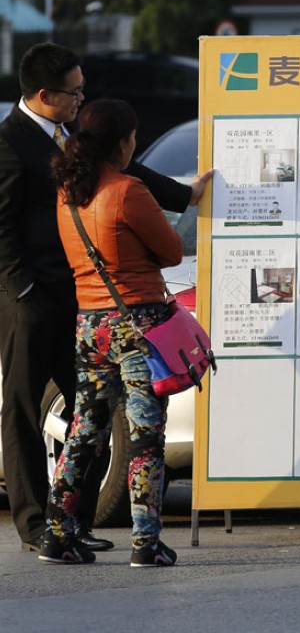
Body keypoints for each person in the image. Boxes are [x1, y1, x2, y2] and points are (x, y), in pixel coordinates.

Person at [0, 42, 212, 554]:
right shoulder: (9, 143)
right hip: (30, 300)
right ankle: (34, 524)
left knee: (87, 417)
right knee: (26, 410)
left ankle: (68, 525)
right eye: (74, 92)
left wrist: (183, 195)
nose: (81, 98)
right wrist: (21, 289)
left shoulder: (73, 134)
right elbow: (1, 226)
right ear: (44, 94)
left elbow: (123, 170)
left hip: (83, 303)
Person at [38, 98, 182, 565]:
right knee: (145, 435)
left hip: (90, 326)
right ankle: (145, 542)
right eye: (133, 138)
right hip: (137, 325)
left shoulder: (68, 191)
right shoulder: (128, 190)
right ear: (121, 143)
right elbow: (172, 250)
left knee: (84, 430)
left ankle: (56, 534)